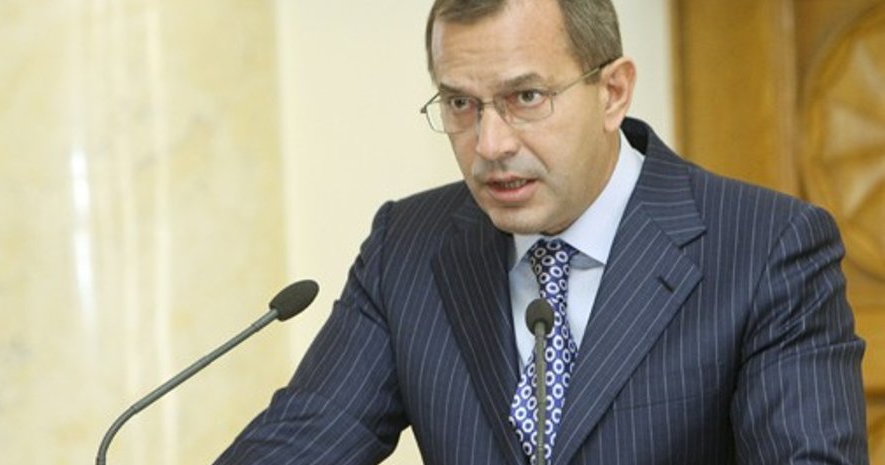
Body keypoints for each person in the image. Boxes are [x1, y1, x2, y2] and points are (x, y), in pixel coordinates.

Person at [214, 0, 869, 463]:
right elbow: (303, 440)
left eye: (525, 98)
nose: (490, 144)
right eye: (460, 104)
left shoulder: (767, 248)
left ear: (613, 91)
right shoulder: (406, 248)